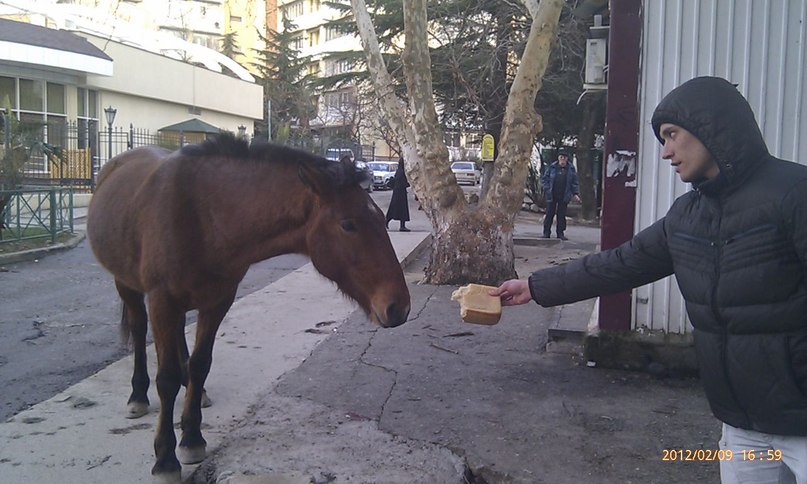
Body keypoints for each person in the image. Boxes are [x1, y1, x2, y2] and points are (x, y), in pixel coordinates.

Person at [491, 76, 807, 484]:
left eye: (672, 135)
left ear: (712, 126)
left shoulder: (794, 195)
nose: (666, 152)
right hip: (742, 423)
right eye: (663, 138)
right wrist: (535, 287)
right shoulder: (686, 216)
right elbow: (620, 264)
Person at [541, 149, 581, 240]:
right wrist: (546, 188)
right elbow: (545, 179)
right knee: (549, 214)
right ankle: (546, 232)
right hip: (552, 194)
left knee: (561, 215)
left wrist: (575, 193)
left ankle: (560, 233)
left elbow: (574, 182)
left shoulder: (571, 169)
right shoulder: (552, 167)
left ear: (567, 159)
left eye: (564, 158)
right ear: (558, 158)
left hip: (564, 194)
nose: (562, 159)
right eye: (561, 157)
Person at [386, 158, 410, 232]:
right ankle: (401, 226)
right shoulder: (401, 172)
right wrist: (408, 183)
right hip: (400, 193)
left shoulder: (399, 171)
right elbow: (402, 183)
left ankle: (388, 221)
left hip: (398, 193)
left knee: (395, 209)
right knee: (400, 209)